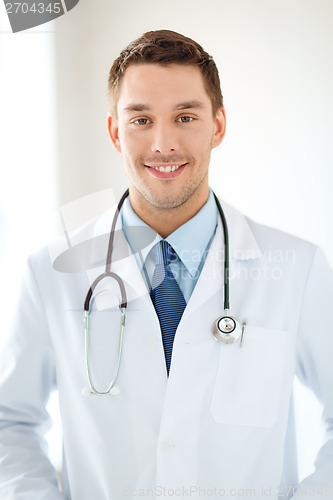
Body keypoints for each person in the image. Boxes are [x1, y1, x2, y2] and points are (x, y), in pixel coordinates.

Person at [0, 29, 332, 500]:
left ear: (217, 125)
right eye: (140, 119)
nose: (163, 143)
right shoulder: (49, 273)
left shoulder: (297, 268)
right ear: (115, 131)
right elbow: (10, 422)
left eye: (184, 116)